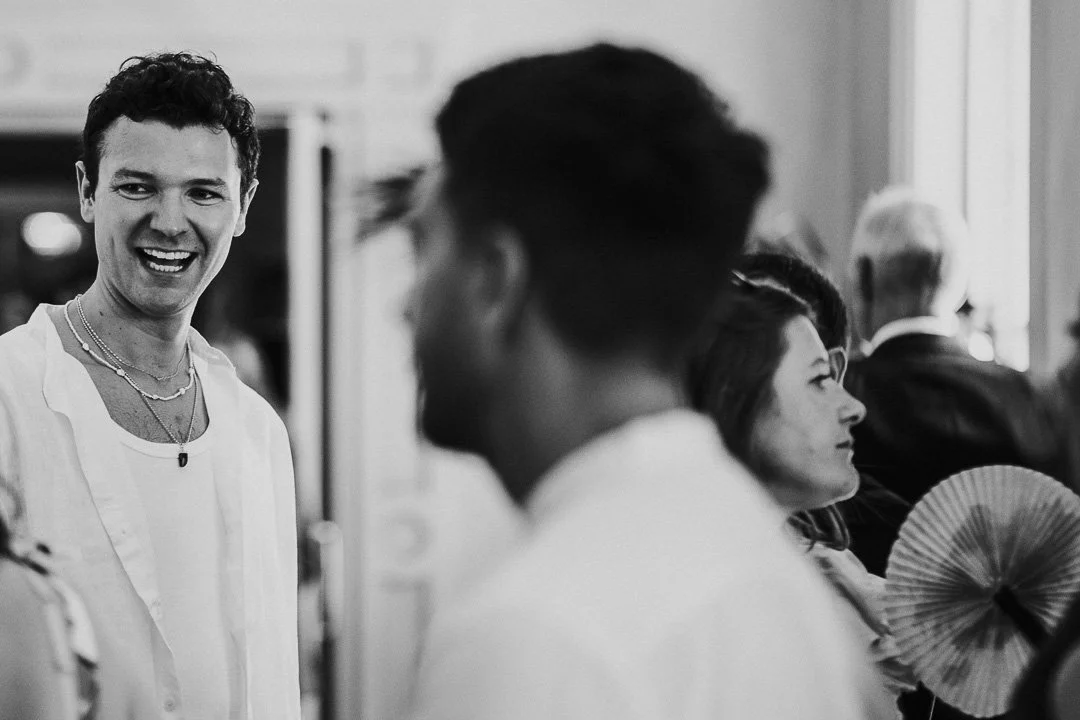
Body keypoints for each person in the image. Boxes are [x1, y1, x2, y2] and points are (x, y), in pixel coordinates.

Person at [403, 42, 890, 720]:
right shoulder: (759, 555)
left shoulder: (534, 632)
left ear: (495, 278)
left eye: (424, 252)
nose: (406, 304)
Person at [0, 52, 299, 719]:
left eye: (203, 192)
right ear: (87, 191)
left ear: (243, 205)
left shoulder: (258, 432)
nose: (170, 221)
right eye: (137, 186)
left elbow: (274, 675)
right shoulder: (7, 394)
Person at [845, 186, 1066, 720]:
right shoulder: (1032, 399)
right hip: (1015, 684)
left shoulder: (841, 396)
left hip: (875, 682)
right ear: (956, 282)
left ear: (866, 278)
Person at [685, 260, 916, 716]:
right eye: (818, 379)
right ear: (736, 403)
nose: (853, 407)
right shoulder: (721, 608)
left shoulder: (822, 569)